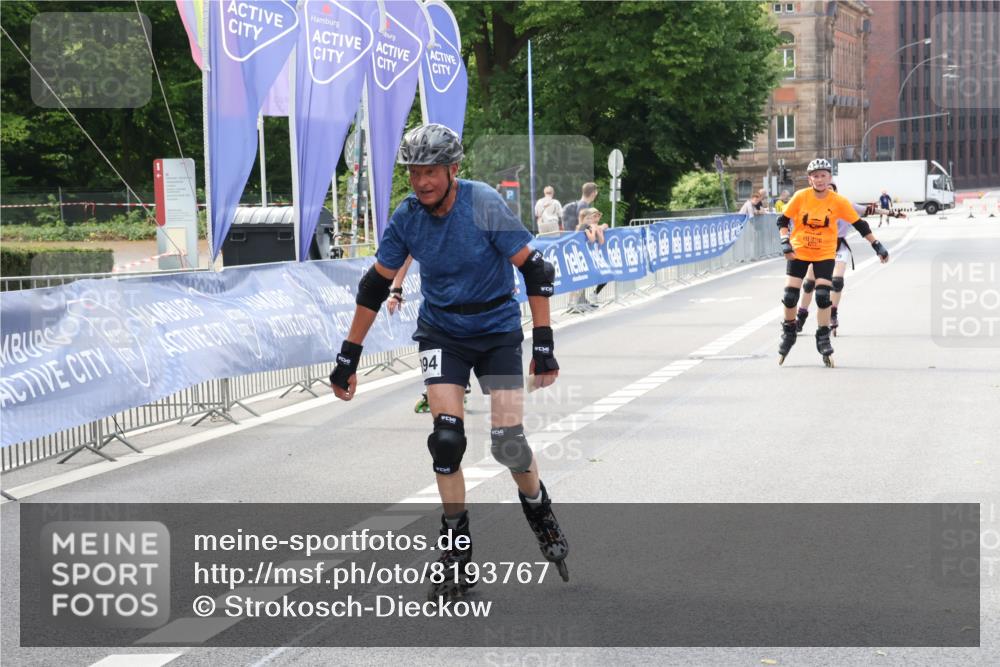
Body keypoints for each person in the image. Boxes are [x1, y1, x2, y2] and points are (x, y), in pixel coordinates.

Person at [329, 124, 570, 598]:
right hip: (442, 333)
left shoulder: (482, 203)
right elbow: (374, 286)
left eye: (431, 172)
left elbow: (535, 270)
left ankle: (538, 507)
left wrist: (543, 343)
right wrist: (348, 356)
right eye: (415, 173)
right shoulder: (407, 217)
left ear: (453, 170)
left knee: (508, 444)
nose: (422, 183)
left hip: (497, 330)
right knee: (445, 440)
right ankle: (457, 550)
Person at [775, 158, 890, 366]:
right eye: (815, 176)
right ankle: (789, 330)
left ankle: (823, 336)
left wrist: (877, 246)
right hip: (799, 250)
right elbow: (782, 220)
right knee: (790, 296)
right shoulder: (801, 197)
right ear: (810, 179)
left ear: (830, 178)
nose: (819, 180)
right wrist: (785, 241)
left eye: (823, 176)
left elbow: (860, 224)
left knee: (821, 296)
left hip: (825, 253)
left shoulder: (838, 201)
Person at [566, 207, 607, 313]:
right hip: (578, 255)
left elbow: (601, 241)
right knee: (577, 281)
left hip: (583, 256)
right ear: (583, 218)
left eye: (590, 218)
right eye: (588, 218)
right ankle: (572, 305)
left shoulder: (586, 226)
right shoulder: (583, 227)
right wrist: (594, 230)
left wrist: (599, 229)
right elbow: (592, 239)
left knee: (582, 280)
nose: (590, 220)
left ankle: (579, 303)